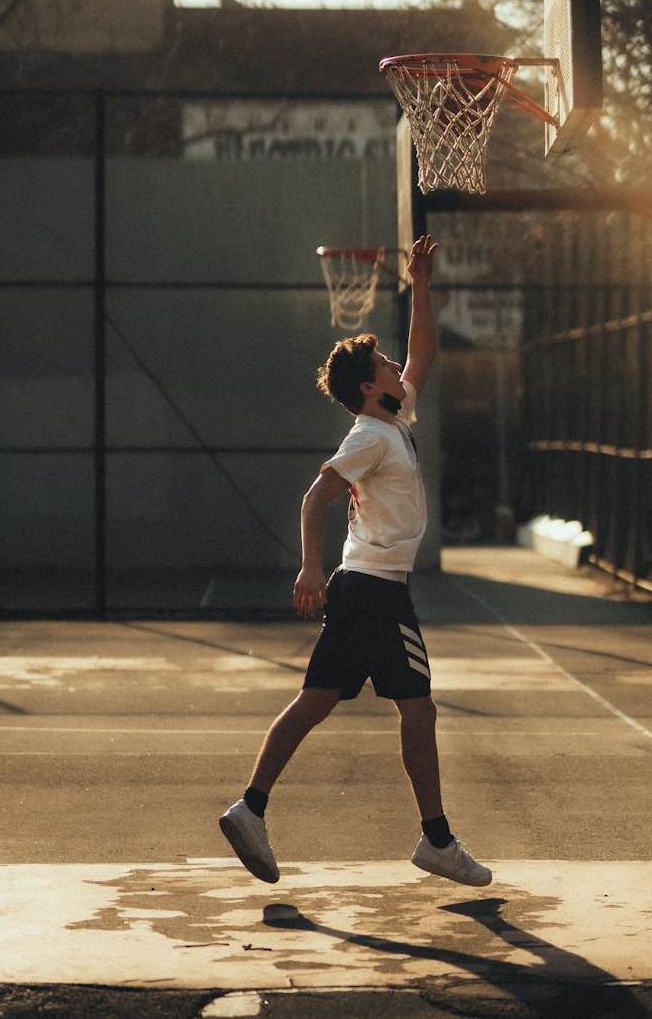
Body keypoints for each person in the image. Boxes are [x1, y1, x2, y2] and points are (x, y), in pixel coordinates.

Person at [218, 233, 491, 889]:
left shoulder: (393, 421)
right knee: (417, 709)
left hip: (364, 589)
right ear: (371, 388)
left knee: (316, 701)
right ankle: (436, 840)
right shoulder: (370, 435)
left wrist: (421, 283)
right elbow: (317, 496)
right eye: (388, 366)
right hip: (374, 592)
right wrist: (310, 567)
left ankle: (250, 808)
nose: (400, 366)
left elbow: (424, 350)